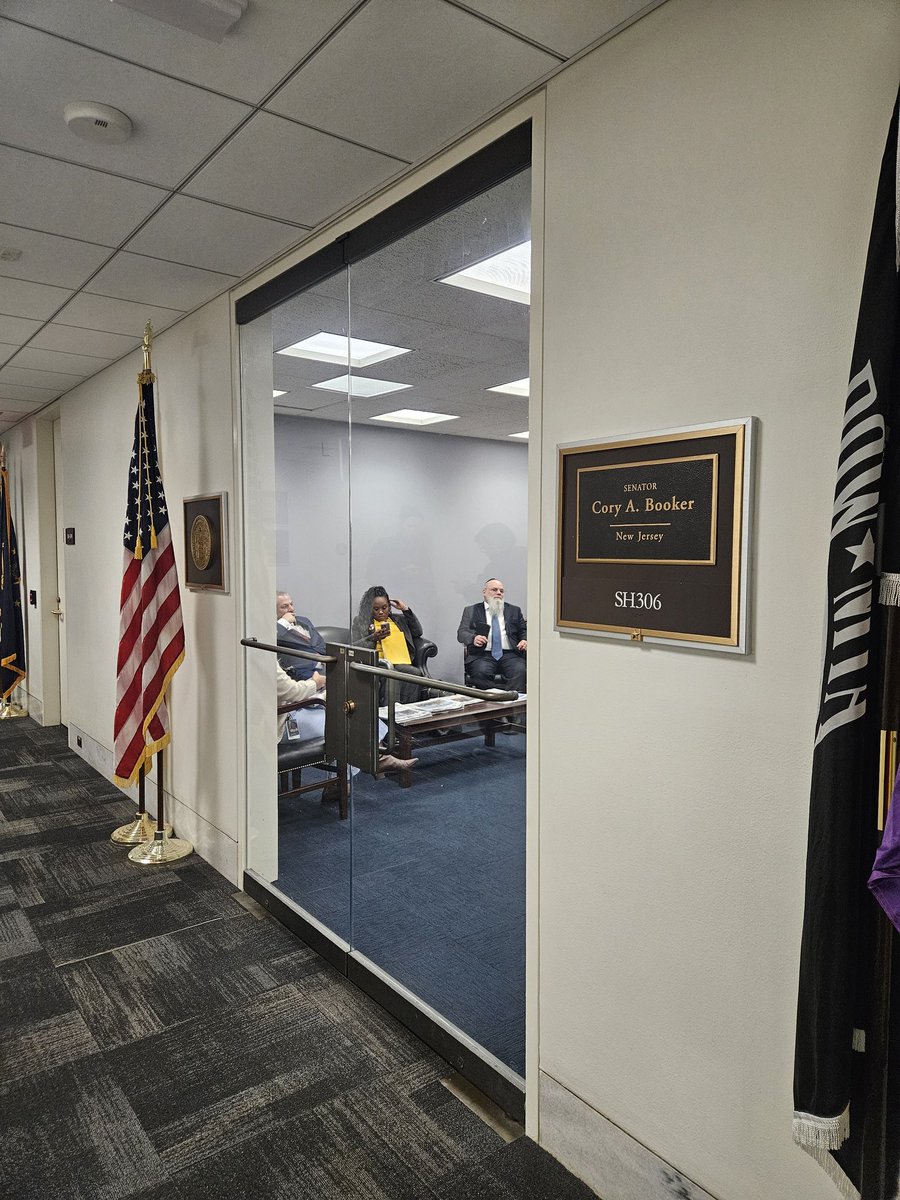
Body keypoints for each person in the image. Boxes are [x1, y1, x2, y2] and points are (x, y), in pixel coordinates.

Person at [352, 585, 432, 705]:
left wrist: (405, 609)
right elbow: (355, 647)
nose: (380, 612)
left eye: (384, 608)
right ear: (370, 609)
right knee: (390, 673)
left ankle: (407, 711)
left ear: (389, 607)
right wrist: (373, 638)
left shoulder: (398, 619)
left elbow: (418, 632)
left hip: (400, 661)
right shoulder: (361, 622)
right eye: (376, 609)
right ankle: (389, 713)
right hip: (379, 663)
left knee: (415, 673)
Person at [457, 578, 527, 693]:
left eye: (501, 591)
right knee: (480, 672)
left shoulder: (514, 610)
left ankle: (512, 703)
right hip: (482, 654)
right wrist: (473, 638)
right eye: (494, 590)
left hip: (510, 654)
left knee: (519, 671)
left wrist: (525, 640)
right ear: (484, 592)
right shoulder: (471, 610)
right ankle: (491, 702)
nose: (498, 593)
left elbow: (523, 630)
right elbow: (462, 633)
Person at [276, 591, 326, 680]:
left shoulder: (304, 621)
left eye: (291, 604)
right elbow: (272, 638)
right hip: (300, 672)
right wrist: (283, 622)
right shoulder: (273, 629)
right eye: (284, 607)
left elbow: (320, 645)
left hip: (325, 664)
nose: (291, 609)